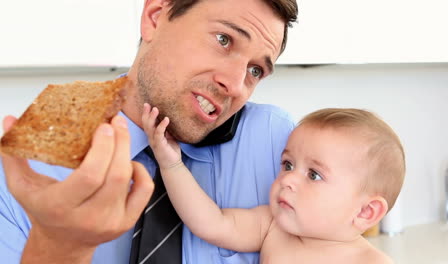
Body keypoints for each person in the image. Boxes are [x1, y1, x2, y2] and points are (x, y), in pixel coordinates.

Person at [0, 0, 298, 263]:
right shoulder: (23, 167)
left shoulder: (281, 147)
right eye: (223, 39)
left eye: (255, 70)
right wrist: (60, 247)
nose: (235, 84)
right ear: (155, 17)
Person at [143, 106, 405, 264]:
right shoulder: (272, 225)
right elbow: (211, 223)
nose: (288, 179)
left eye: (314, 175)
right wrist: (171, 164)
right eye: (288, 164)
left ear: (365, 213)